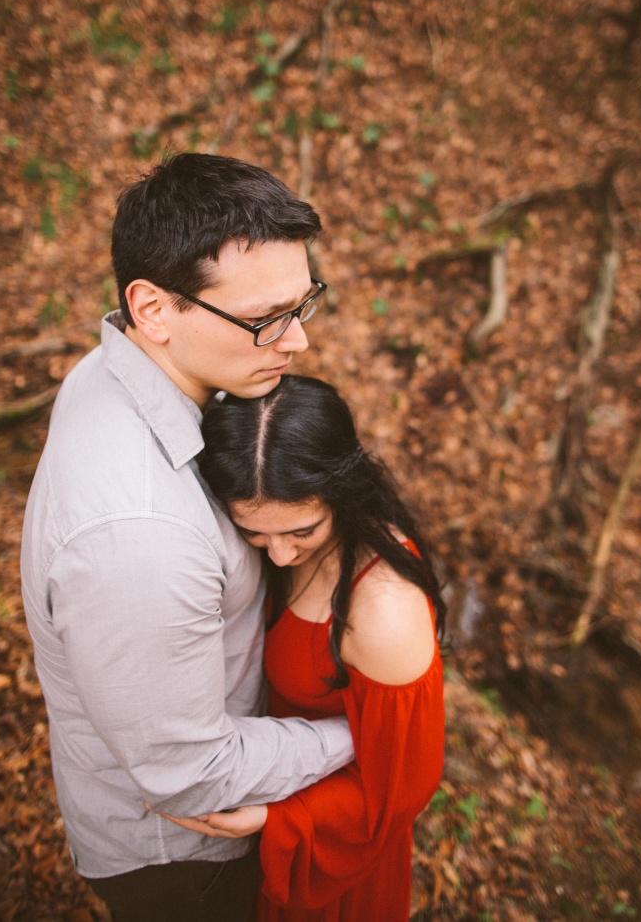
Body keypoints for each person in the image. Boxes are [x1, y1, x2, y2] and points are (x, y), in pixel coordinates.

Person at [20, 154, 355, 922]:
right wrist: (354, 737)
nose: (297, 341)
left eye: (305, 305)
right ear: (154, 309)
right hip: (182, 867)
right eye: (267, 318)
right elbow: (190, 776)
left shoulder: (114, 370)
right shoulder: (139, 538)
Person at [158, 375, 446, 922]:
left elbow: (404, 787)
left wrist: (276, 818)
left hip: (336, 852)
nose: (281, 556)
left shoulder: (381, 612)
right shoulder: (278, 539)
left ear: (343, 491)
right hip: (273, 774)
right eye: (256, 535)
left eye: (302, 531)